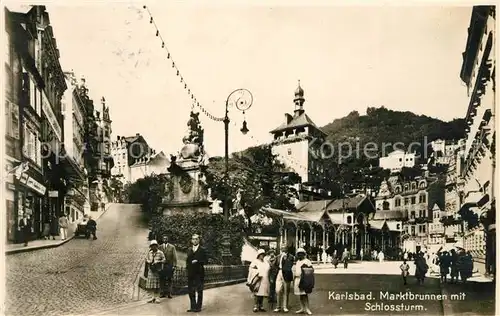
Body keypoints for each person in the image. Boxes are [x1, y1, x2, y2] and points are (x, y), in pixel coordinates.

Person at [186, 234, 207, 313]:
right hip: (191, 273)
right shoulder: (189, 250)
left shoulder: (202, 250)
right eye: (193, 239)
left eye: (196, 239)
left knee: (199, 290)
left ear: (199, 240)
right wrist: (187, 268)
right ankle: (193, 306)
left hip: (199, 273)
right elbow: (187, 261)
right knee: (191, 290)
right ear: (191, 240)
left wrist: (198, 261)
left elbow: (206, 261)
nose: (194, 240)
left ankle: (198, 307)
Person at [273, 244, 294, 313]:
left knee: (286, 291)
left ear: (287, 249)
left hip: (286, 274)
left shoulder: (290, 256)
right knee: (278, 290)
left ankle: (285, 307)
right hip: (279, 272)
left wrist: (285, 259)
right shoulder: (278, 256)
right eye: (282, 248)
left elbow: (289, 266)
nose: (283, 249)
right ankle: (278, 307)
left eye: (284, 248)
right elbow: (274, 265)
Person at [294, 248, 313, 315]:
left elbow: (311, 270)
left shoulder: (307, 261)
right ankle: (302, 308)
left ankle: (307, 308)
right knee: (300, 295)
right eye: (299, 254)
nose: (300, 255)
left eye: (301, 254)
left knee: (304, 294)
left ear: (304, 254)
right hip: (297, 279)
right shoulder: (297, 262)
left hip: (304, 280)